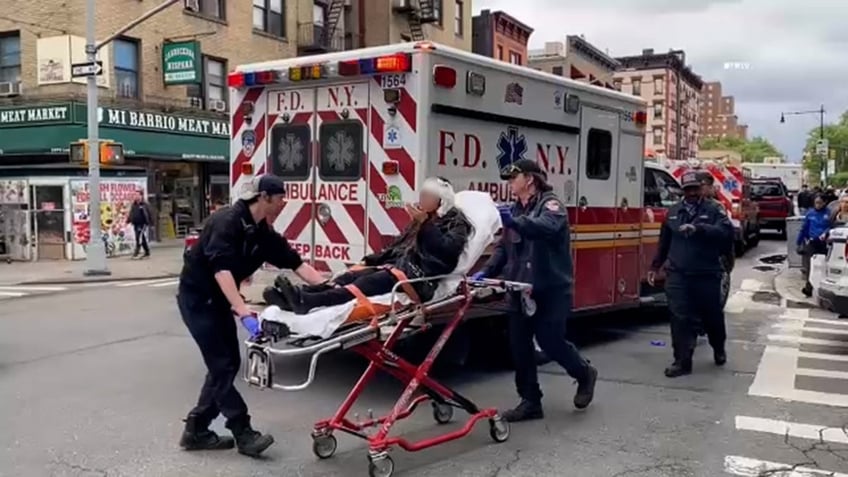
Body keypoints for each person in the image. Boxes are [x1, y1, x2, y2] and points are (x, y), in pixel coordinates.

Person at [176, 175, 327, 456]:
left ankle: (196, 430)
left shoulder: (262, 234)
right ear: (265, 197)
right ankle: (243, 432)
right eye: (281, 197)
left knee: (228, 364)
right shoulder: (226, 222)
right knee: (222, 366)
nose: (285, 202)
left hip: (219, 301)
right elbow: (221, 269)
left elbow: (297, 264)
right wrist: (242, 309)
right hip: (197, 300)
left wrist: (332, 291)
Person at [472, 159, 597, 423]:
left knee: (551, 341)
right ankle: (530, 401)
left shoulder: (552, 205)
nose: (509, 184)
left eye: (513, 178)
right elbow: (504, 248)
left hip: (550, 288)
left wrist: (515, 222)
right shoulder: (516, 209)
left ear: (529, 179)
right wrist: (488, 271)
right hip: (519, 288)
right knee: (519, 346)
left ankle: (584, 373)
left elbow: (544, 228)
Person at [266, 177, 472, 315]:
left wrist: (424, 225)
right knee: (348, 276)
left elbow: (447, 254)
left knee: (362, 286)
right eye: (422, 195)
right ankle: (299, 295)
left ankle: (307, 302)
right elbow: (397, 248)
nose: (421, 199)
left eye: (427, 196)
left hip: (418, 278)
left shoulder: (456, 223)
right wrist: (374, 259)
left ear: (441, 201)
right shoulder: (422, 218)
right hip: (399, 266)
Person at [648, 171, 734, 378]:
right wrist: (655, 266)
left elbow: (726, 233)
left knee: (711, 316)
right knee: (680, 317)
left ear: (701, 188)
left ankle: (718, 346)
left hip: (706, 273)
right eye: (688, 190)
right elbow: (664, 242)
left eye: (695, 189)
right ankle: (682, 361)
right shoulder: (673, 212)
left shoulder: (715, 210)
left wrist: (699, 229)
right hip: (678, 274)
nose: (692, 193)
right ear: (683, 191)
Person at [797, 194, 831, 297]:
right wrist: (799, 242)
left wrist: (826, 233)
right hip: (812, 243)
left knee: (823, 266)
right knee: (810, 266)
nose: (818, 205)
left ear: (824, 203)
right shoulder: (810, 213)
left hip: (824, 243)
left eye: (820, 203)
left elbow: (831, 226)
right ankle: (809, 288)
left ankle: (822, 288)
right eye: (816, 203)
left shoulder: (829, 213)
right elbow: (804, 228)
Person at [129, 190, 152, 259]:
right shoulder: (134, 204)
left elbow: (149, 214)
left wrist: (150, 223)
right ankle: (147, 252)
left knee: (139, 237)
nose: (135, 196)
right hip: (136, 223)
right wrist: (129, 220)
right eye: (135, 195)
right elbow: (131, 213)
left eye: (137, 195)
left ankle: (137, 252)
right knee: (141, 238)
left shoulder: (145, 204)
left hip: (143, 223)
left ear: (141, 196)